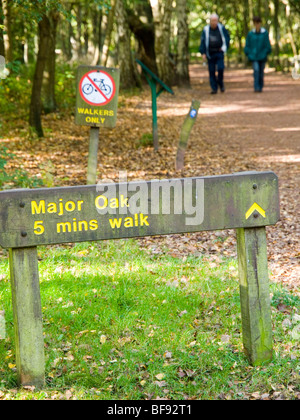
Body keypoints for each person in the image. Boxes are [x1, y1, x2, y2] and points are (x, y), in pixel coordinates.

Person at [199, 13, 230, 94]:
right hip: (210, 53)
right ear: (210, 21)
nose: (214, 22)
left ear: (217, 21)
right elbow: (202, 41)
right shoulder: (206, 30)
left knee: (220, 68)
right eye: (212, 21)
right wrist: (203, 53)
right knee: (211, 71)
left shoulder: (221, 28)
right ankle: (214, 88)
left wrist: (224, 48)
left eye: (215, 21)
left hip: (219, 52)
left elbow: (227, 39)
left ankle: (220, 82)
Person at [244, 16, 272, 92]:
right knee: (256, 70)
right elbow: (247, 45)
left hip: (262, 57)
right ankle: (256, 87)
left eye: (258, 23)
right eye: (255, 23)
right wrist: (248, 54)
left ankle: (260, 85)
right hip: (254, 57)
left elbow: (268, 45)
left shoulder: (264, 33)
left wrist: (265, 53)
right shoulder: (250, 34)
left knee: (261, 72)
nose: (257, 25)